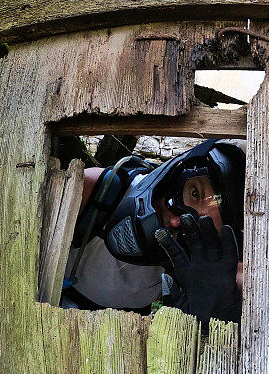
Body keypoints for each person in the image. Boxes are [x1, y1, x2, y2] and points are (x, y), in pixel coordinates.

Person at [61, 140, 245, 327]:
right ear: (175, 172)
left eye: (199, 224)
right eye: (194, 194)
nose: (176, 221)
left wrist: (217, 312)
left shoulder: (189, 264)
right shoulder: (99, 194)